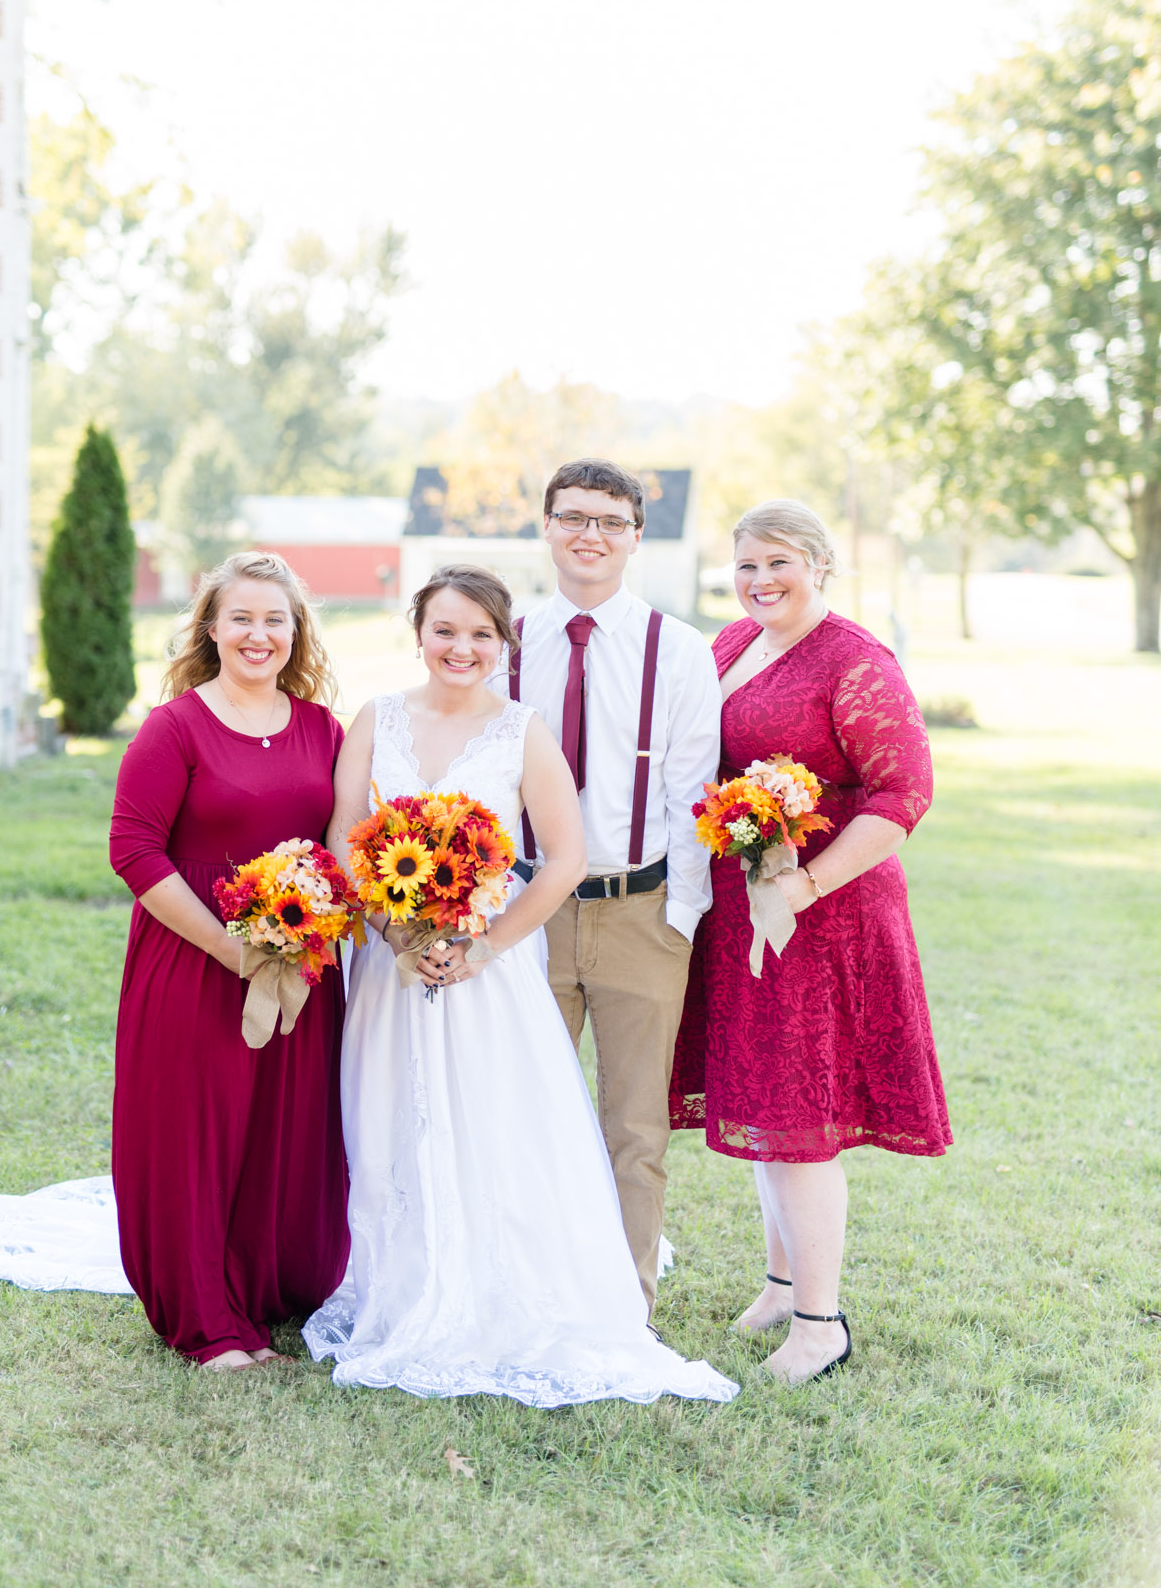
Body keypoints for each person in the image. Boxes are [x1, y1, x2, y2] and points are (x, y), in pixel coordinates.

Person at [303, 566, 738, 1408]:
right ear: (416, 630)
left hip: (489, 974)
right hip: (389, 971)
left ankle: (497, 1280)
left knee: (494, 1120)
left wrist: (482, 946)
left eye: (479, 634)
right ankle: (396, 1280)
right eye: (444, 630)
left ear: (504, 643)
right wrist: (398, 932)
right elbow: (346, 837)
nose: (460, 648)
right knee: (389, 1115)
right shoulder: (375, 719)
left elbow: (563, 860)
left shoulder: (522, 731)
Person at [669, 500, 951, 1384]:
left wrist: (802, 882)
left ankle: (821, 1324)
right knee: (765, 1106)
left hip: (821, 920)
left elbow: (901, 795)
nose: (759, 581)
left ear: (820, 566)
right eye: (745, 565)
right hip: (741, 913)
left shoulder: (855, 660)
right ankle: (781, 1283)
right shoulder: (725, 646)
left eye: (779, 563)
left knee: (801, 1121)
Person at [108, 552, 350, 1371]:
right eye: (241, 617)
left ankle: (272, 1290)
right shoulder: (174, 727)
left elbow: (346, 846)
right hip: (193, 960)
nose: (258, 634)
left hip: (303, 967)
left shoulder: (323, 729)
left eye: (274, 619)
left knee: (286, 1135)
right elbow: (134, 851)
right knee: (197, 1137)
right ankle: (207, 1322)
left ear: (296, 632)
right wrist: (231, 948)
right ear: (211, 628)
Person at [501, 458, 721, 1313]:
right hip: (530, 914)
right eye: (572, 516)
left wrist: (681, 916)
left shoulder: (678, 649)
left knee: (635, 1127)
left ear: (635, 536)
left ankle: (624, 1302)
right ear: (547, 526)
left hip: (640, 910)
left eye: (609, 521)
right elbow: (483, 784)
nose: (589, 534)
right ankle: (529, 1288)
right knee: (525, 1113)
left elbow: (694, 788)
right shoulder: (507, 639)